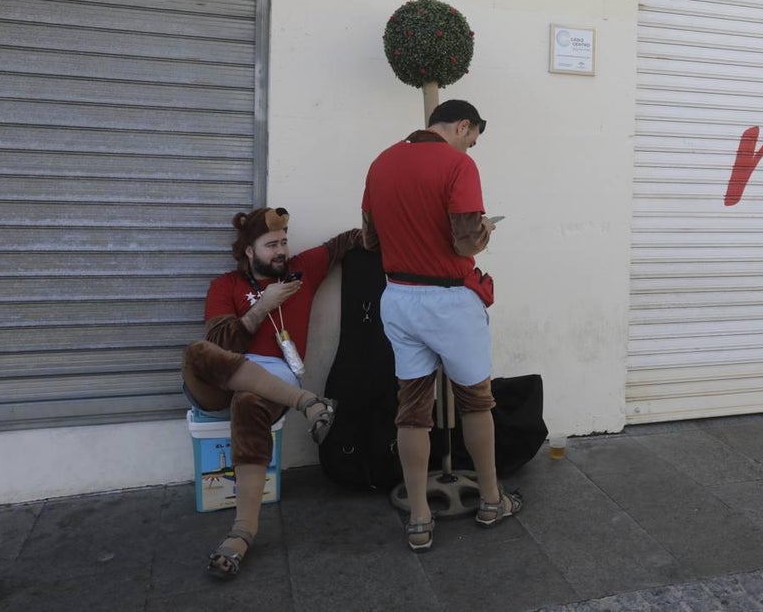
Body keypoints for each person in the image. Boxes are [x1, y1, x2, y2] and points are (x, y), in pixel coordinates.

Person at [361, 99, 523, 552]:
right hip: (449, 301)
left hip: (398, 297)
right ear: (462, 126)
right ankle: (492, 500)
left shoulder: (381, 162)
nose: (470, 150)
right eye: (471, 141)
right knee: (475, 401)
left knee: (412, 407)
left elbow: (370, 238)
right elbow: (466, 239)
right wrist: (486, 229)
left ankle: (418, 517)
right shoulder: (457, 166)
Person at [182, 206, 361, 578]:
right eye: (271, 244)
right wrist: (263, 306)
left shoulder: (302, 271)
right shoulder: (224, 286)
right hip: (221, 382)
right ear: (249, 251)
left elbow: (348, 241)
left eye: (284, 242)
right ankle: (308, 403)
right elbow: (220, 341)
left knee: (249, 404)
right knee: (196, 352)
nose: (280, 250)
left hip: (271, 387)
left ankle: (241, 533)